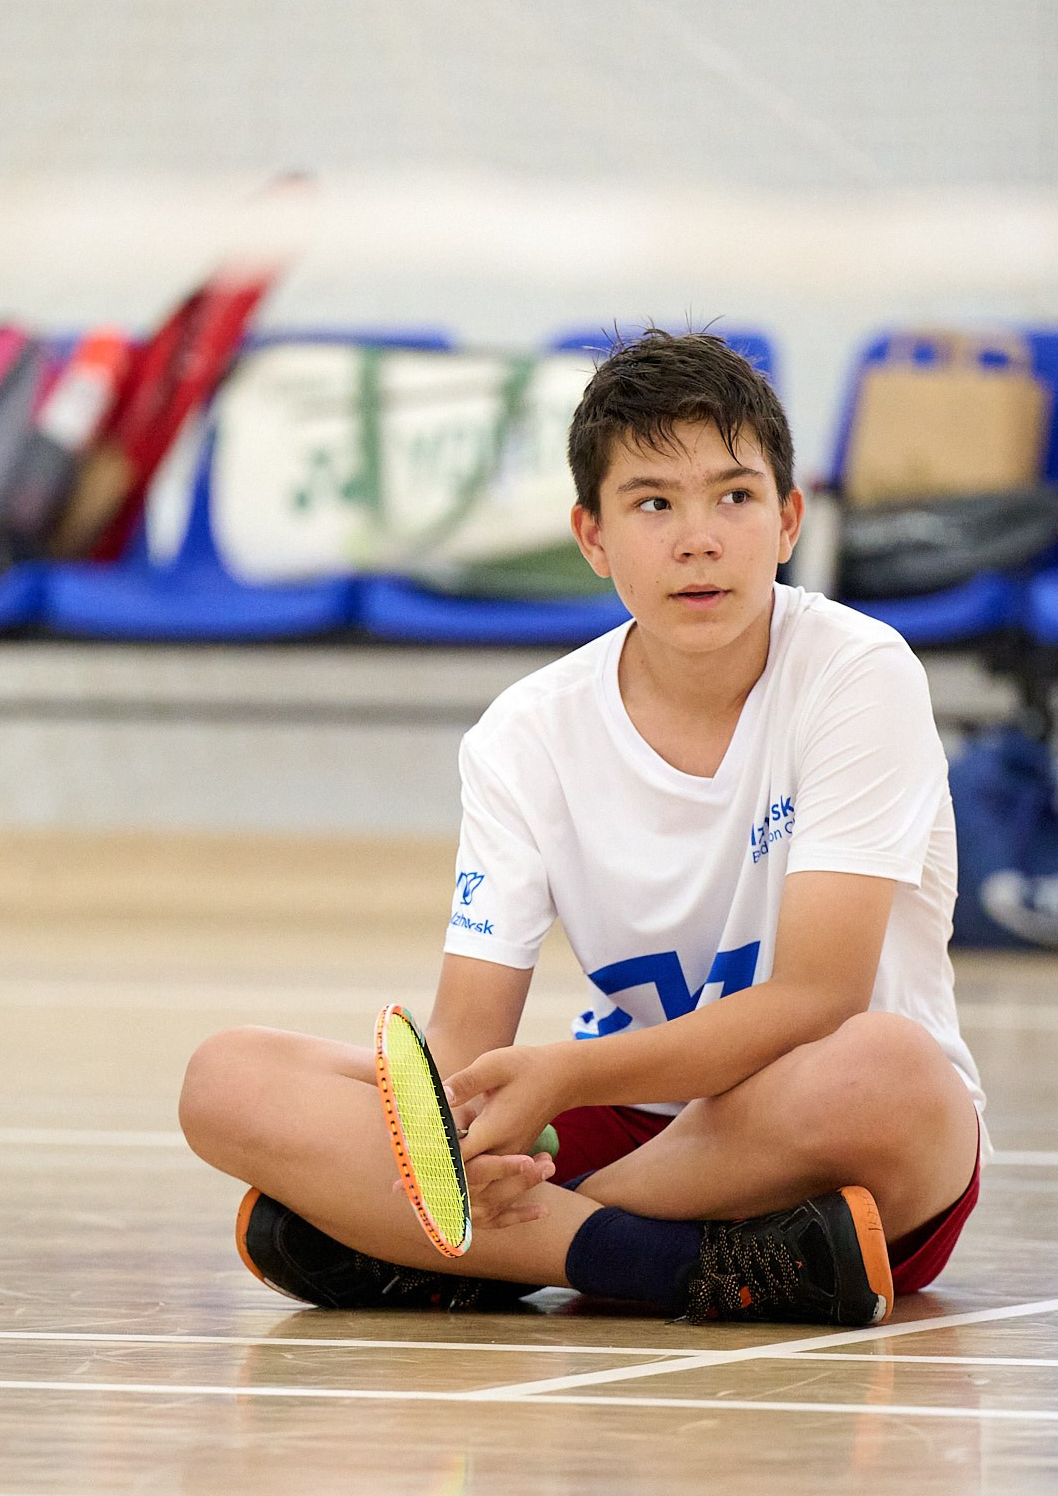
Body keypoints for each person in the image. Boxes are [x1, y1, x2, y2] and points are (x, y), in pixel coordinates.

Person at [180, 331, 986, 1326]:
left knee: (889, 1072)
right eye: (653, 504)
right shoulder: (526, 735)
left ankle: (507, 1252)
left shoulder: (861, 674)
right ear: (592, 537)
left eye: (732, 497)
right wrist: (472, 1145)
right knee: (228, 1079)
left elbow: (818, 998)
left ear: (787, 520)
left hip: (815, 1135)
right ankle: (679, 1266)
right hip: (627, 1126)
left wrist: (554, 1085)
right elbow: (470, 1052)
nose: (697, 539)